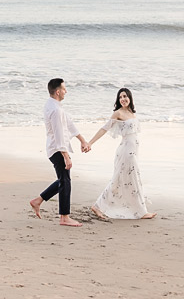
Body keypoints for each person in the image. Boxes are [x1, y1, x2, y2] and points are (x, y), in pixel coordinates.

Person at [30, 78, 91, 226]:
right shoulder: (56, 110)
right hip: (57, 149)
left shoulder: (53, 105)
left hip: (55, 148)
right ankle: (64, 217)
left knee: (63, 180)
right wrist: (66, 156)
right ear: (58, 92)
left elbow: (69, 123)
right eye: (64, 89)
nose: (66, 91)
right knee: (65, 182)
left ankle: (38, 201)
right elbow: (58, 135)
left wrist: (82, 140)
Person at [88, 87, 156, 220]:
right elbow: (104, 129)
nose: (123, 99)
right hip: (126, 152)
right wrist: (90, 143)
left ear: (130, 98)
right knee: (122, 179)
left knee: (128, 180)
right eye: (120, 97)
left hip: (133, 151)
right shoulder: (118, 113)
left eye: (125, 96)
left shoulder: (131, 113)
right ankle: (140, 211)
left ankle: (138, 210)